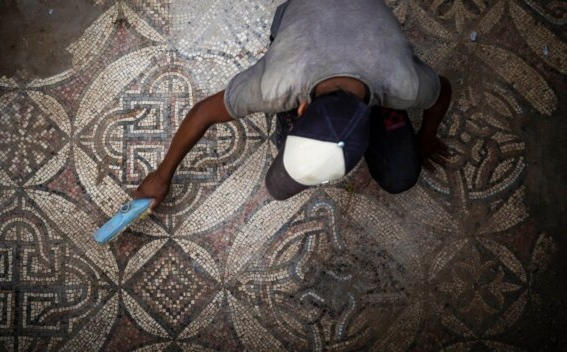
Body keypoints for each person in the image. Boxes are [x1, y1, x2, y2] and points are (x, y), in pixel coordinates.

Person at [132, 0, 451, 208]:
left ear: (300, 110)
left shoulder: (404, 83)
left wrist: (427, 137)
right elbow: (203, 113)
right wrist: (162, 175)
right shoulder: (275, 82)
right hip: (300, 13)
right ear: (300, 106)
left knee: (401, 175)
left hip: (367, 19)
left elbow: (443, 91)